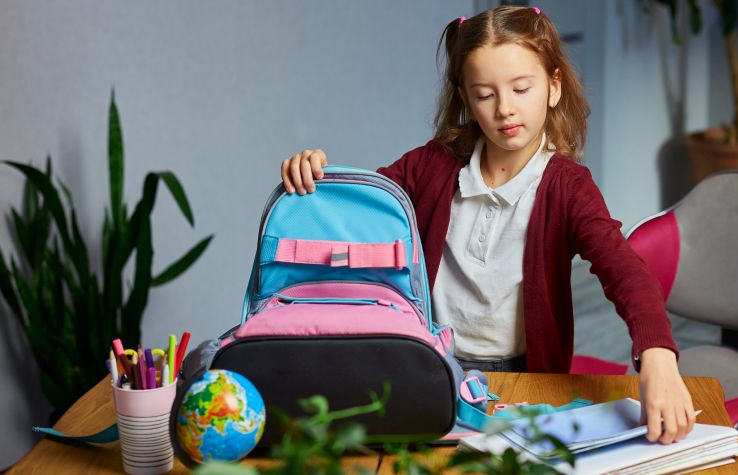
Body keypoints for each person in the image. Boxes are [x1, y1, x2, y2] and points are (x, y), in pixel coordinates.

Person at [280, 5, 695, 444]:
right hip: (430, 362)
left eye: (521, 88)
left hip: (522, 374)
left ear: (553, 87)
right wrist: (321, 174)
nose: (505, 110)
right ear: (464, 98)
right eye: (485, 95)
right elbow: (366, 206)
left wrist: (657, 354)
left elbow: (623, 269)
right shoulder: (432, 164)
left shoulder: (568, 187)